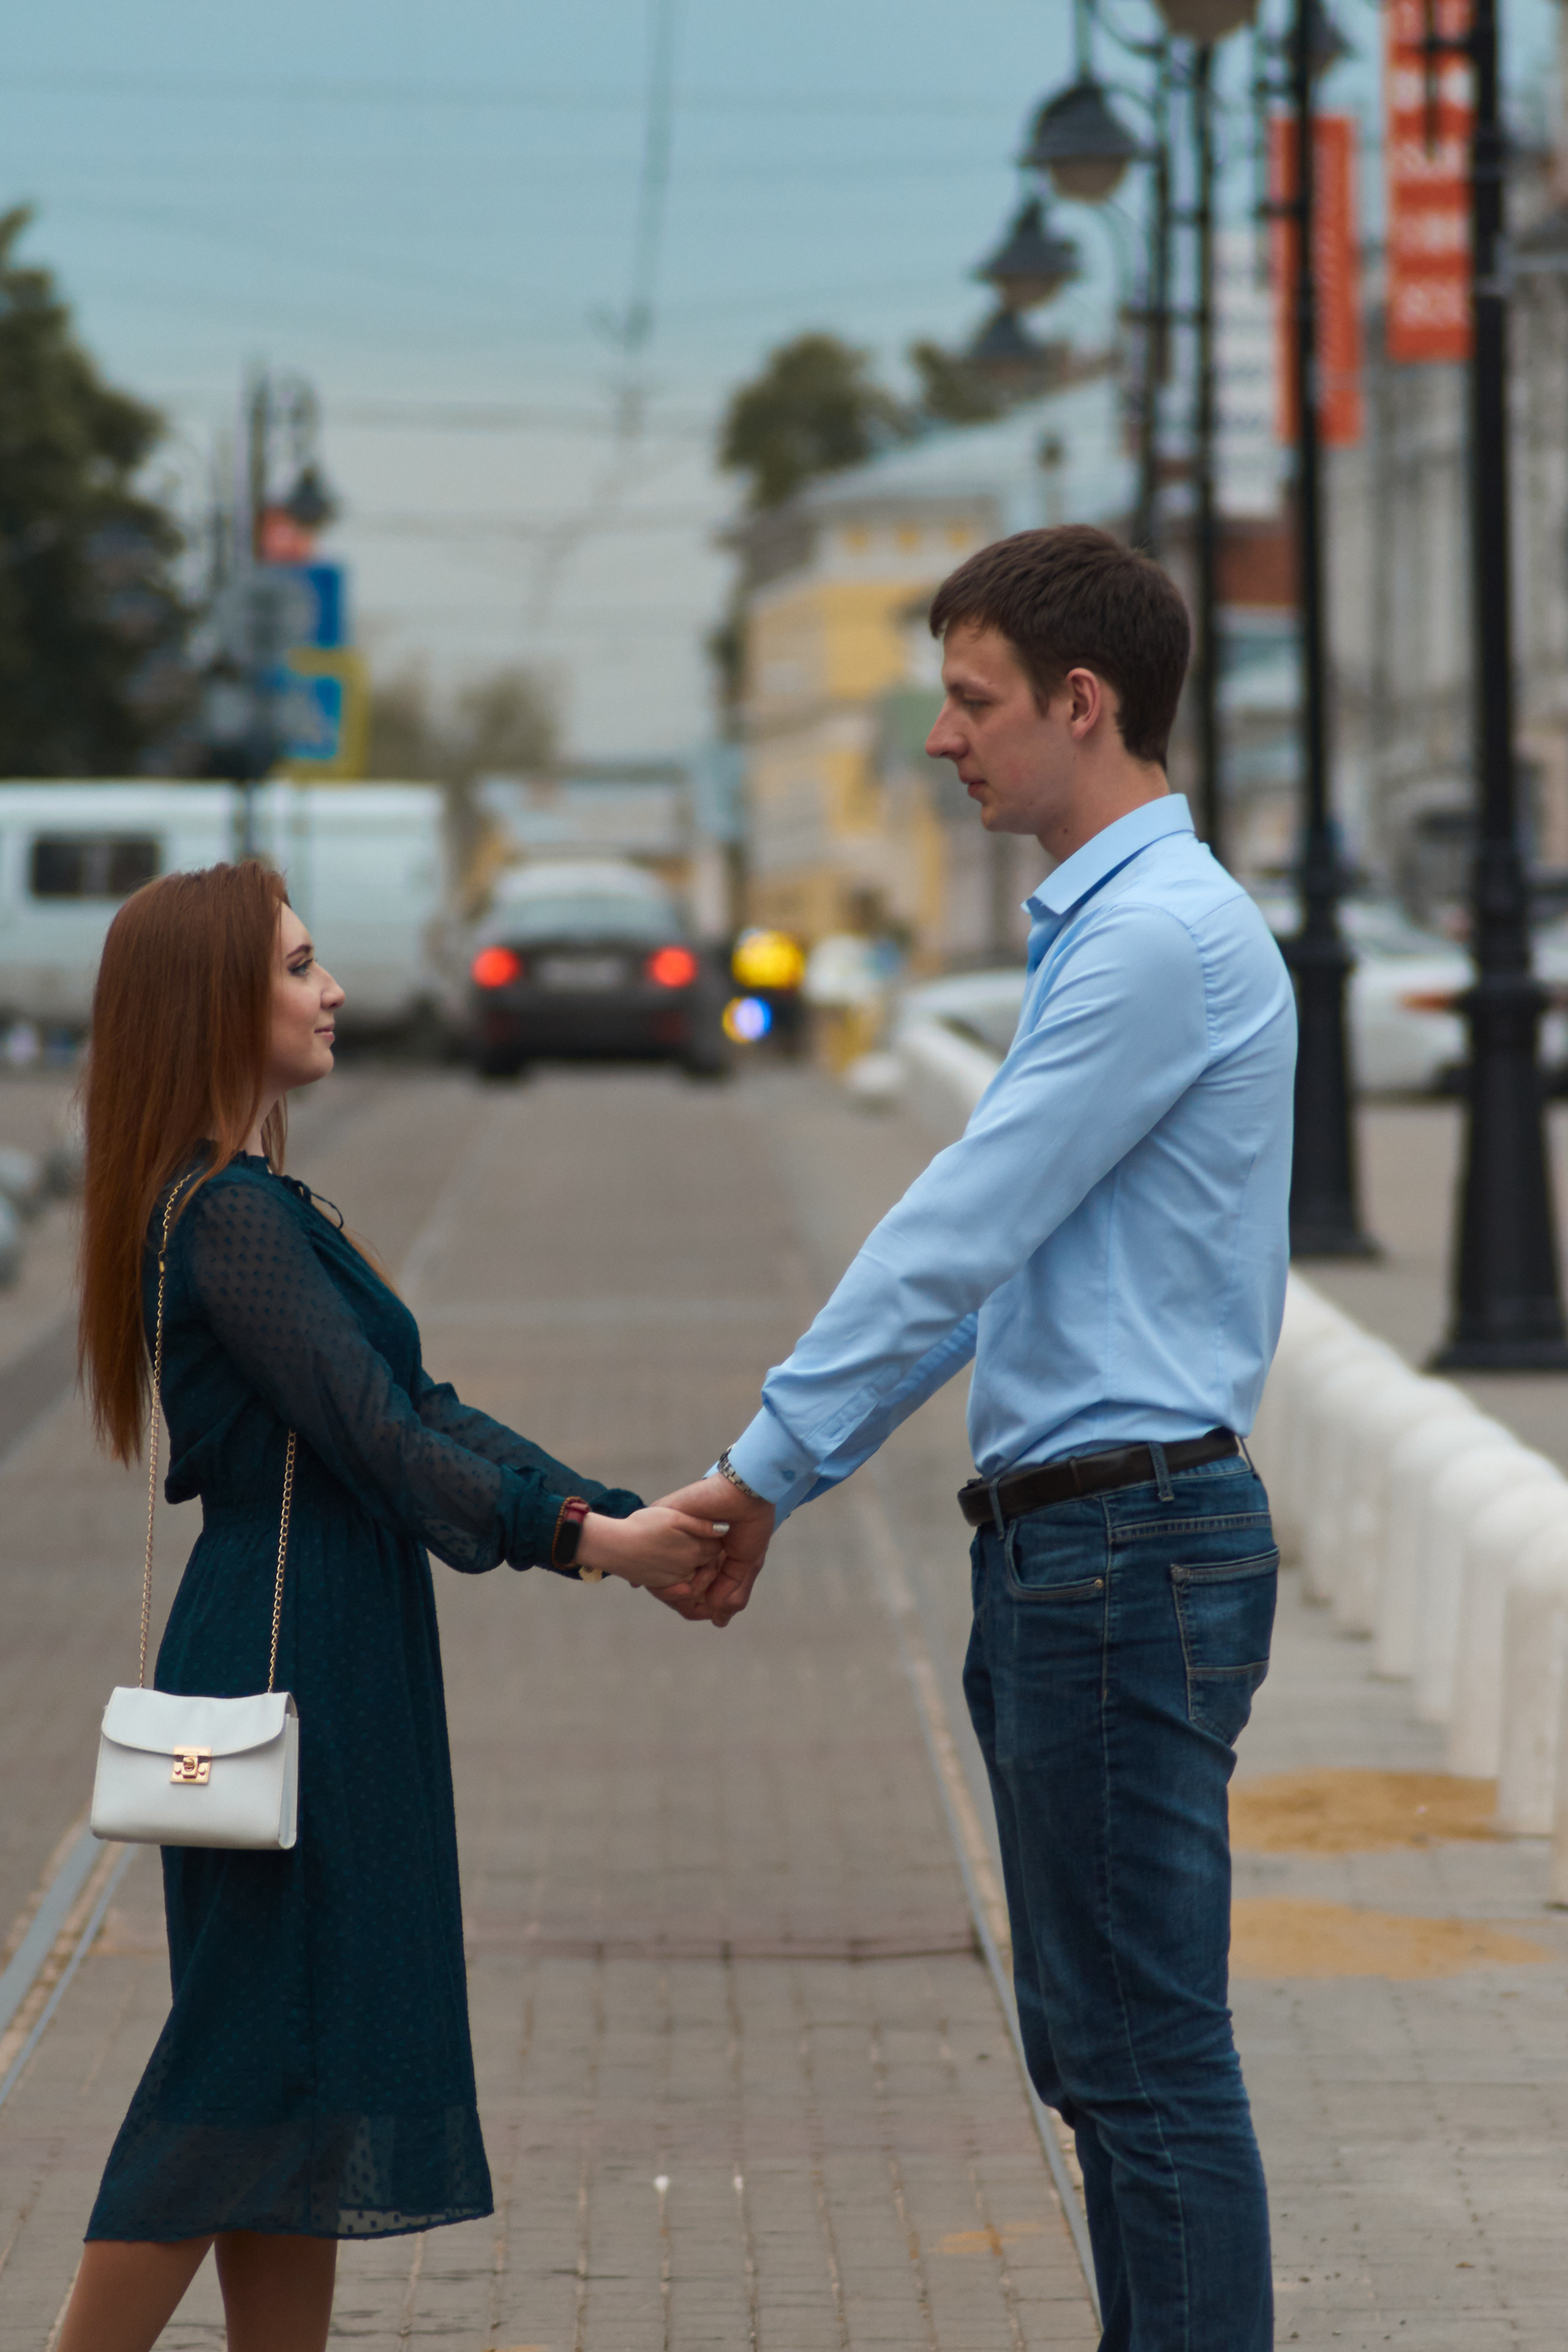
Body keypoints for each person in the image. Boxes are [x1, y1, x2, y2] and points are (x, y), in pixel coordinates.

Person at [660, 526, 1297, 2352]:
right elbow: (988, 1250)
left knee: (1146, 2056)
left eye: (972, 700)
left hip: (1126, 1548)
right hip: (1087, 1544)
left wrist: (769, 1465)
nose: (946, 739)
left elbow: (959, 1231)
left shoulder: (1155, 945)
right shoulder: (1127, 931)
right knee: (1102, 2051)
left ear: (1081, 705)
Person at [62, 862, 721, 2352]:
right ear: (215, 1004)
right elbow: (379, 1438)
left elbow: (424, 1405)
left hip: (327, 1645)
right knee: (239, 2065)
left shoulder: (266, 1206)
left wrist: (610, 1516)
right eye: (299, 968)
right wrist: (583, 1542)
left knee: (303, 2091)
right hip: (287, 1659)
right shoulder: (227, 1219)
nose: (333, 989)